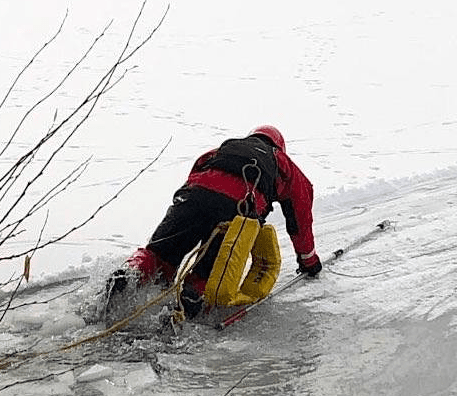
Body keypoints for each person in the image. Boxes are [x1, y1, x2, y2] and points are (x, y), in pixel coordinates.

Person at [106, 125, 321, 318]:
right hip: (236, 209)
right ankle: (186, 308)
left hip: (192, 198)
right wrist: (308, 261)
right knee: (205, 273)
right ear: (279, 146)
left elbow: (195, 174)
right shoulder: (282, 163)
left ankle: (132, 272)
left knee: (158, 255)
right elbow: (301, 215)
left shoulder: (222, 150)